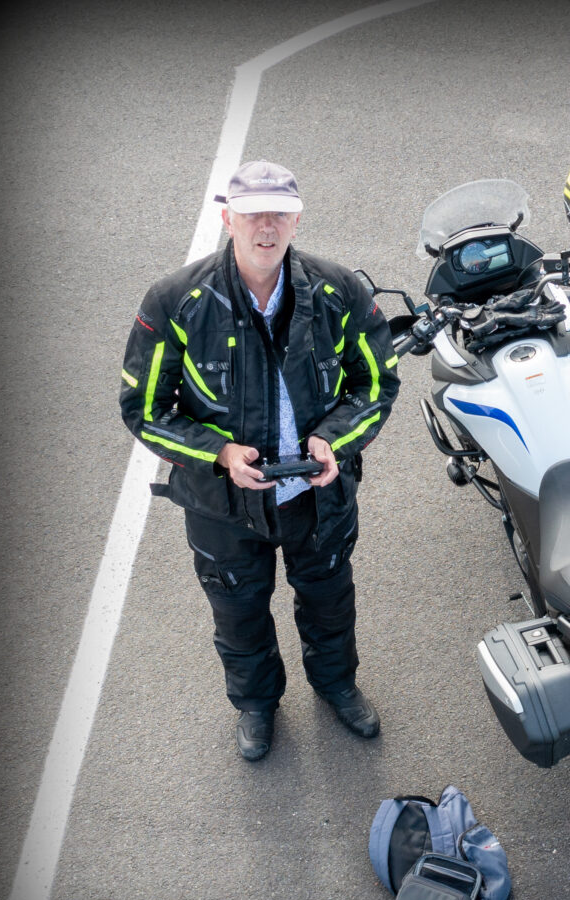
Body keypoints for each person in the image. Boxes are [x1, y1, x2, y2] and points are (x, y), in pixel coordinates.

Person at [120, 159, 400, 760]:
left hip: (317, 496)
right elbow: (143, 409)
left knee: (329, 600)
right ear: (229, 219)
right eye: (252, 214)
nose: (265, 226)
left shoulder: (340, 291)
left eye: (278, 212)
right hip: (223, 506)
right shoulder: (175, 301)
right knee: (238, 611)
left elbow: (377, 384)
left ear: (297, 218)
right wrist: (218, 453)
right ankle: (255, 705)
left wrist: (335, 442)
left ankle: (337, 686)